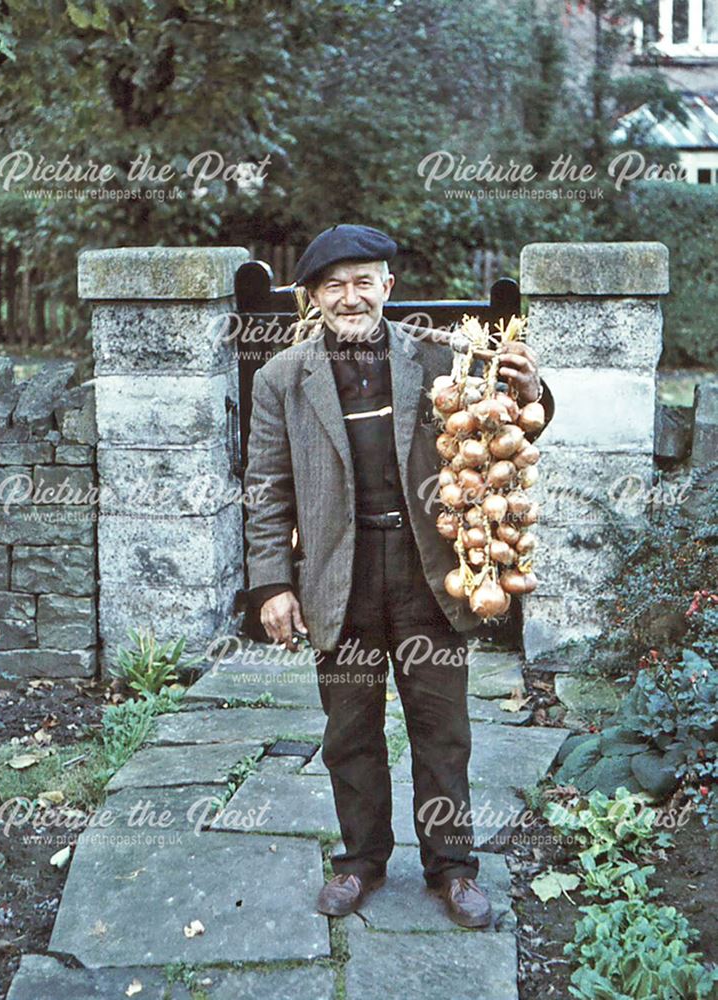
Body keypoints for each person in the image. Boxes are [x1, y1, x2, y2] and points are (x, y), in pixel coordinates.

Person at [243, 224, 554, 927]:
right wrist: (272, 584)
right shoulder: (282, 380)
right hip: (338, 578)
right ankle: (360, 863)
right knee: (349, 732)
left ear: (387, 286)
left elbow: (510, 422)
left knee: (442, 730)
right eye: (333, 285)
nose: (350, 296)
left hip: (428, 572)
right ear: (313, 297)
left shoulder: (442, 359)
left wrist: (535, 388)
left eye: (363, 281)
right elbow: (265, 490)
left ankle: (453, 868)